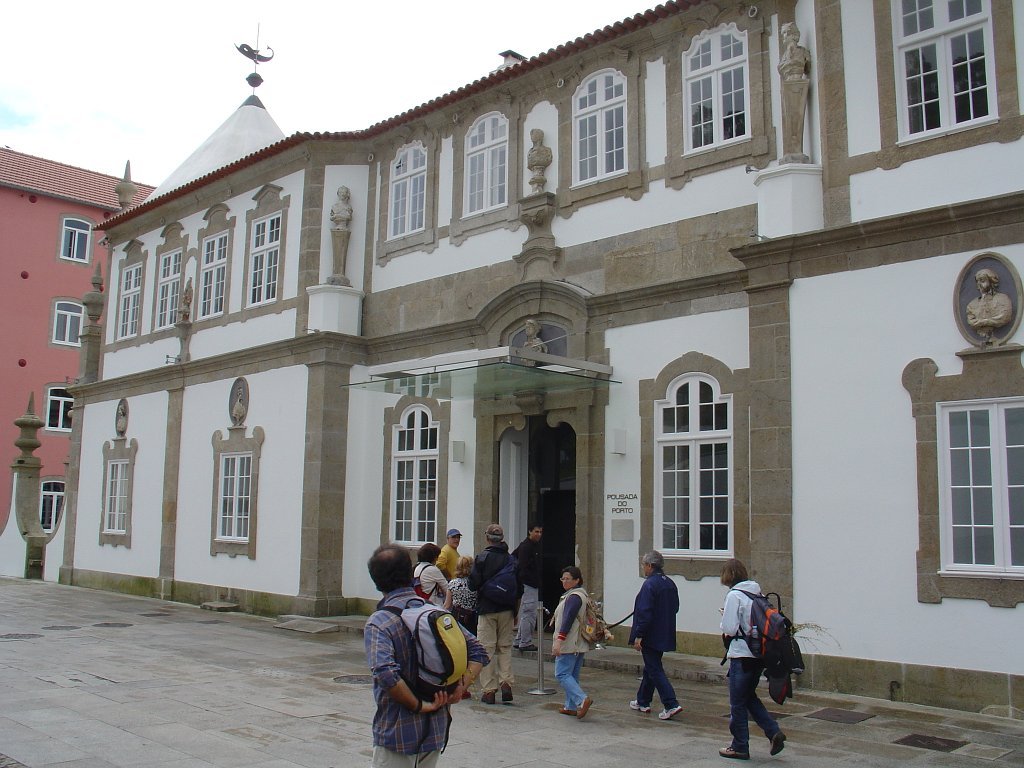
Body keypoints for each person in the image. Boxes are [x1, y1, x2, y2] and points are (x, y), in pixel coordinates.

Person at [364, 544, 488, 767]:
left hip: (397, 732)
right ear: (410, 573)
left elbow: (385, 673)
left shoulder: (380, 621)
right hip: (435, 730)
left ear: (376, 581)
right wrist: (461, 687)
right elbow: (478, 650)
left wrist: (418, 705)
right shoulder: (435, 611)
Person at [719, 558, 786, 761]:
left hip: (741, 654)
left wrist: (723, 617)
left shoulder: (734, 596)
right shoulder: (757, 593)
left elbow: (729, 628)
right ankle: (773, 731)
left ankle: (739, 746)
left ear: (728, 575)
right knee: (748, 697)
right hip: (759, 654)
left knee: (737, 703)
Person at [628, 550, 683, 720]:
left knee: (654, 668)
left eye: (644, 565)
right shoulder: (669, 583)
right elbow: (675, 607)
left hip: (651, 633)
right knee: (651, 667)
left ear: (650, 566)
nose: (643, 568)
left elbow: (644, 612)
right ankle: (642, 700)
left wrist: (639, 635)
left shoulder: (649, 584)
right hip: (664, 631)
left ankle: (671, 703)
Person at [468, 523, 519, 705]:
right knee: (505, 647)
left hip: (487, 608)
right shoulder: (511, 559)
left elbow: (472, 584)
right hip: (507, 608)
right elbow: (518, 588)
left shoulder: (482, 558)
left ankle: (489, 690)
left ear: (487, 538)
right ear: (502, 539)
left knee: (486, 649)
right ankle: (506, 682)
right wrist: (515, 610)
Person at [551, 565, 594, 719]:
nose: (564, 581)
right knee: (572, 675)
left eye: (568, 579)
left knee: (562, 673)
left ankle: (581, 700)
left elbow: (567, 620)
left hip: (570, 642)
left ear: (577, 580)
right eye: (563, 578)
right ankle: (570, 706)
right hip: (579, 642)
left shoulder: (574, 597)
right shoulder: (581, 595)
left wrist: (559, 640)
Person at [512, 523, 543, 651]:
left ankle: (519, 639)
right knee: (529, 613)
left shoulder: (532, 546)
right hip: (528, 584)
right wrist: (524, 580)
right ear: (530, 531)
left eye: (540, 532)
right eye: (536, 531)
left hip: (531, 583)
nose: (539, 534)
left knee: (527, 611)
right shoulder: (526, 547)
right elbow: (521, 566)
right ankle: (525, 641)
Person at [966, 267, 1013, 342]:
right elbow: (971, 322)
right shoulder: (972, 305)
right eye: (977, 281)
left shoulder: (1003, 299)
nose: (979, 284)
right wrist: (989, 321)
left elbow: (1004, 317)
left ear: (991, 281)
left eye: (982, 281)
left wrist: (983, 322)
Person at [415, 543, 452, 610]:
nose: (437, 559)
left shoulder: (417, 567)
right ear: (433, 557)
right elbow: (447, 588)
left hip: (421, 604)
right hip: (434, 605)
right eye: (437, 556)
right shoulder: (432, 569)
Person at [448, 555, 478, 635]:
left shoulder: (453, 583)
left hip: (457, 615)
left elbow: (447, 605)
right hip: (473, 617)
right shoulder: (476, 583)